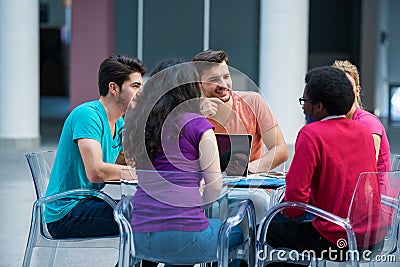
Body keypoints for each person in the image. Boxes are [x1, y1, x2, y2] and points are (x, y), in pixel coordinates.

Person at [123, 59, 244, 266]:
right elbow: (214, 185)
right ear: (190, 89)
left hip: (138, 237)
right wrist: (199, 203)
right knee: (238, 232)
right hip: (184, 235)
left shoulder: (140, 124)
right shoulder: (199, 126)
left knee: (183, 246)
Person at [264, 66, 380, 266]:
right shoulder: (363, 131)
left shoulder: (311, 134)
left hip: (336, 238)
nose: (302, 107)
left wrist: (291, 212)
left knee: (268, 229)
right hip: (372, 236)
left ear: (319, 106)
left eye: (305, 102)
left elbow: (295, 199)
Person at [45, 54, 146, 238]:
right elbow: (96, 172)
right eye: (135, 86)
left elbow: (126, 164)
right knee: (149, 217)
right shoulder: (88, 115)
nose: (141, 92)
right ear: (114, 88)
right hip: (66, 213)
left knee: (156, 211)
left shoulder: (120, 123)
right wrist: (145, 174)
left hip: (89, 202)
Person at [192, 50, 288, 173]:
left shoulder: (253, 102)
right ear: (198, 84)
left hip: (249, 188)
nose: (223, 84)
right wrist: (199, 119)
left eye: (226, 77)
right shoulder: (191, 112)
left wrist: (248, 170)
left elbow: (280, 149)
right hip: (207, 186)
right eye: (214, 79)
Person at [332, 60, 391, 172]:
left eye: (348, 87)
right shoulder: (336, 121)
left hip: (372, 188)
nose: (343, 92)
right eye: (337, 87)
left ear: (357, 91)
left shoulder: (368, 123)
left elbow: (367, 170)